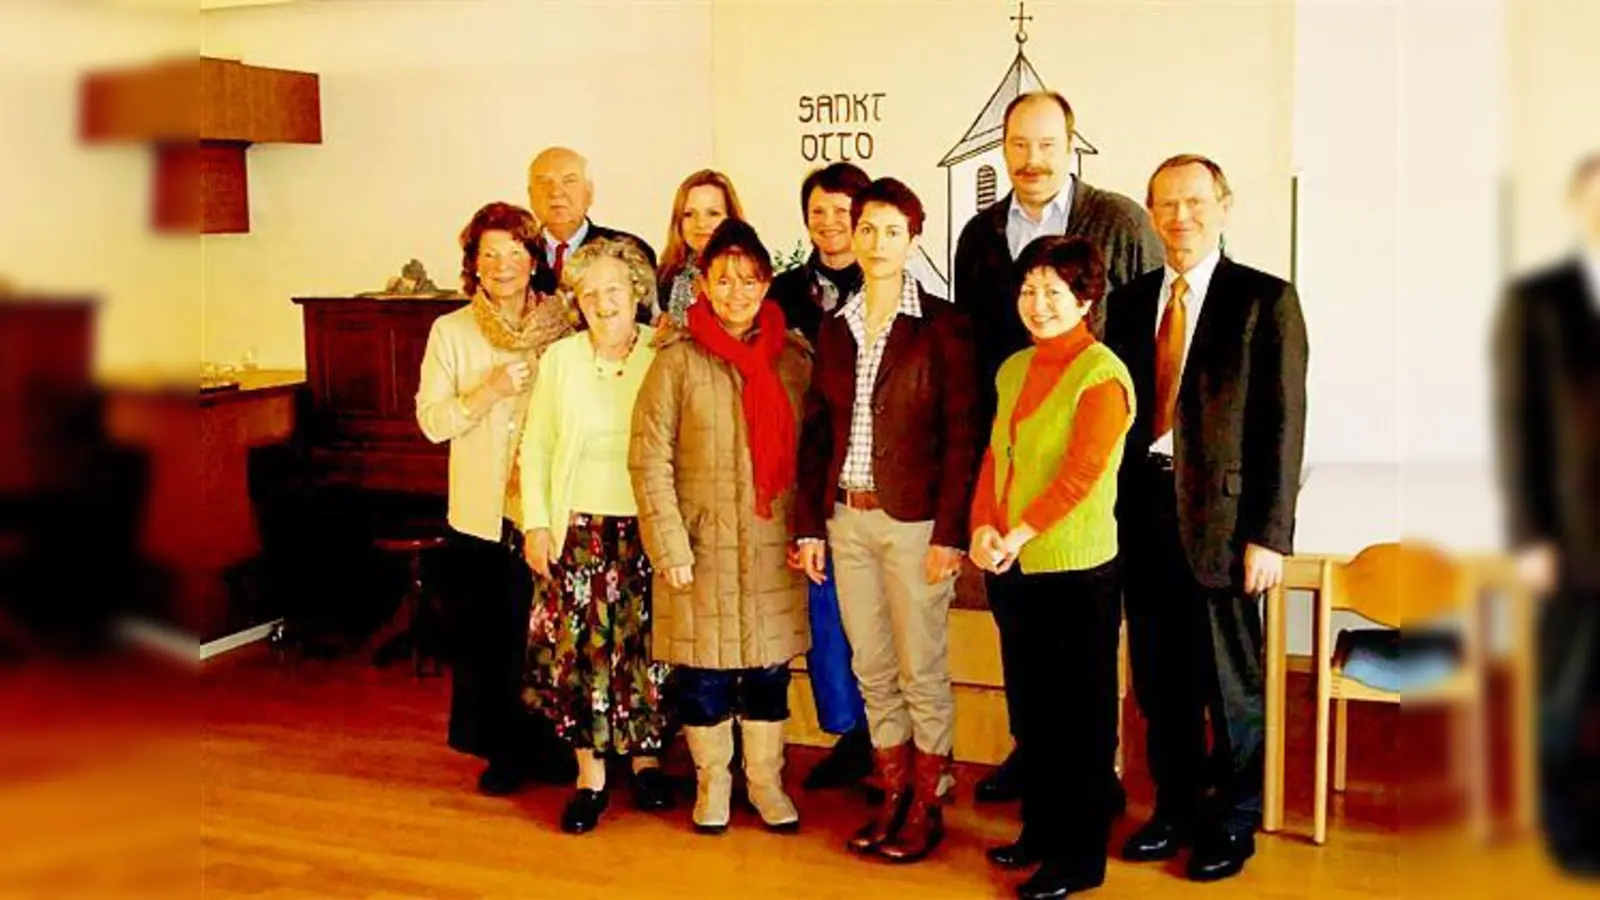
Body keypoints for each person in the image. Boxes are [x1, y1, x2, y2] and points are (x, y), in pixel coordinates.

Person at [952, 90, 1162, 807]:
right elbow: (978, 350)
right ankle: (1034, 759)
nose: (1031, 159)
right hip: (1011, 470)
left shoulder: (1122, 221)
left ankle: (1089, 779)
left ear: (1071, 144)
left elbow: (1144, 336)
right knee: (1027, 651)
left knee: (1084, 662)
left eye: (1046, 144)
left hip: (1089, 477)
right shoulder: (980, 235)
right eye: (1018, 145)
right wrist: (987, 513)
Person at [1104, 155, 1308, 883]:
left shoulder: (1264, 300)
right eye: (1165, 204)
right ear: (1151, 213)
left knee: (1231, 686)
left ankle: (1234, 821)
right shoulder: (1127, 303)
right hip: (1141, 516)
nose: (1179, 217)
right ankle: (1175, 809)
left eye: (1194, 201)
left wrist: (1270, 535)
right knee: (1161, 683)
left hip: (1225, 523)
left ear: (1223, 205)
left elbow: (1284, 426)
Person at [794, 178, 981, 863]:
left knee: (919, 666)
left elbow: (964, 434)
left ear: (913, 238)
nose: (875, 243)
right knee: (871, 666)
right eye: (865, 229)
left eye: (890, 231)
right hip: (848, 520)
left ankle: (929, 800)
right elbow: (817, 434)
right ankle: (894, 789)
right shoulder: (834, 326)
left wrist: (951, 534)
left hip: (914, 527)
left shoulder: (943, 325)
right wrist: (809, 526)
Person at [629, 218, 811, 834]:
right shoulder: (675, 362)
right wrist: (668, 543)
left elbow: (815, 455)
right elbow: (648, 457)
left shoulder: (794, 358)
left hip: (771, 542)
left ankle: (764, 782)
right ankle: (713, 783)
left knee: (766, 672)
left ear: (767, 284)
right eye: (724, 278)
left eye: (750, 279)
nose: (737, 291)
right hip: (699, 544)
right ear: (702, 282)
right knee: (703, 674)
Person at [968, 236, 1132, 900]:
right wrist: (982, 525)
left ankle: (1079, 855)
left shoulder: (1103, 375)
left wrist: (1017, 533)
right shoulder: (1012, 368)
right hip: (1013, 568)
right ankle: (1040, 830)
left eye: (1054, 292)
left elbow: (1080, 478)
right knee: (1034, 713)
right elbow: (994, 456)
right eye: (1028, 290)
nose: (1038, 305)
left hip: (1075, 571)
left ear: (1085, 298)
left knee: (1082, 720)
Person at [415, 202, 575, 796]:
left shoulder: (563, 325)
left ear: (535, 260)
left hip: (547, 511)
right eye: (490, 255)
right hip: (481, 514)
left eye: (515, 253)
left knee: (547, 636)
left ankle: (552, 746)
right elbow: (432, 422)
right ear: (473, 265)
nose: (503, 265)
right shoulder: (451, 332)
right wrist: (487, 391)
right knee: (494, 639)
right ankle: (503, 750)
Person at [519, 238, 674, 834]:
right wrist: (537, 522)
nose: (603, 302)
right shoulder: (560, 359)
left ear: (637, 290)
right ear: (576, 302)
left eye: (614, 289)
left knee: (645, 650)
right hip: (577, 526)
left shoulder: (663, 352)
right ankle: (591, 776)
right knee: (581, 654)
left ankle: (647, 758)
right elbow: (537, 446)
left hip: (647, 526)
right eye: (590, 293)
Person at [1493, 152, 1600, 876]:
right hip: (1567, 535)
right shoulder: (1538, 300)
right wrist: (1529, 535)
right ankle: (1566, 829)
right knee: (1562, 694)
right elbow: (1517, 423)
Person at [767, 161, 875, 795]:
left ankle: (888, 738)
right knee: (825, 612)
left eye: (844, 212)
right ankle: (848, 733)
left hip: (869, 473)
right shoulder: (782, 294)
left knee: (874, 617)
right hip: (804, 471)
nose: (831, 225)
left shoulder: (887, 286)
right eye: (819, 212)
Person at [525, 146, 656, 295]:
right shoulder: (519, 254)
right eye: (544, 182)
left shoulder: (627, 249)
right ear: (531, 195)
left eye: (569, 181)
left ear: (590, 192)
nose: (556, 192)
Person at [656, 169, 746, 325]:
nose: (701, 224)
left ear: (731, 219)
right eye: (689, 214)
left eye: (713, 213)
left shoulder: (752, 276)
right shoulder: (666, 277)